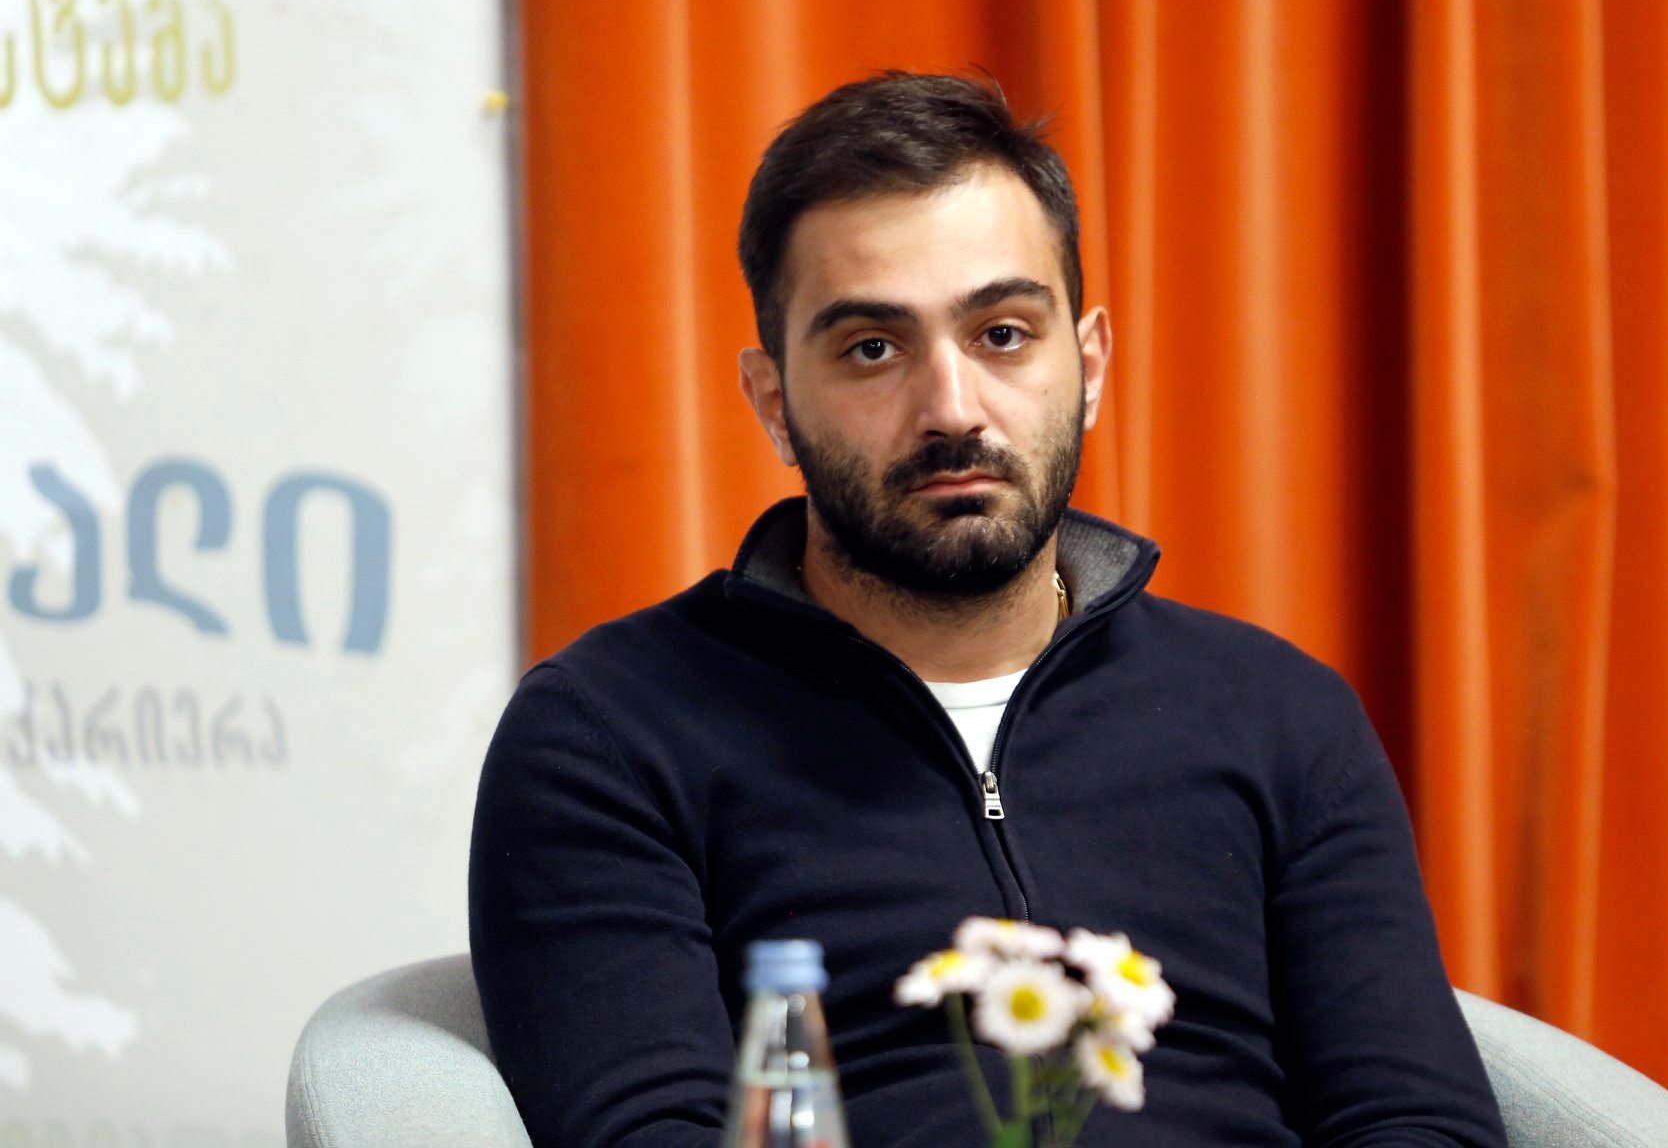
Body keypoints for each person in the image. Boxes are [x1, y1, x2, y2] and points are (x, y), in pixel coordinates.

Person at [469, 71, 1507, 1146]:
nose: (952, 410)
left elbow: (1417, 1122)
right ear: (776, 404)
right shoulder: (609, 736)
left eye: (1003, 334)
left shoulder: (1280, 717)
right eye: (873, 349)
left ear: (1088, 367)